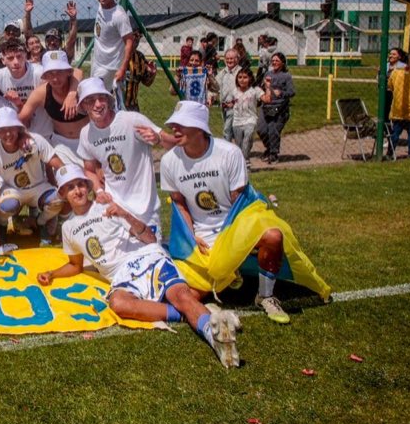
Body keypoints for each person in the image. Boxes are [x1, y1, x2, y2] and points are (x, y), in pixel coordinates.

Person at [37, 164, 242, 368]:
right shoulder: (68, 228)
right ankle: (191, 313)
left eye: (80, 184)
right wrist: (52, 273)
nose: (77, 191)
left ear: (88, 186)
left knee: (180, 295)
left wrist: (125, 214)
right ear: (63, 194)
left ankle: (214, 336)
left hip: (147, 256)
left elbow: (150, 238)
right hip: (121, 275)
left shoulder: (107, 206)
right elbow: (75, 265)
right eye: (70, 187)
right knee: (118, 304)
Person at [160, 102, 293, 324]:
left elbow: (239, 202)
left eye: (181, 124)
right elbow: (179, 204)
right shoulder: (169, 161)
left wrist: (229, 247)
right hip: (202, 237)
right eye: (174, 123)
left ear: (199, 127)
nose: (174, 128)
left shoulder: (229, 153)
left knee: (273, 236)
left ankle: (265, 295)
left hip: (234, 227)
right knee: (186, 298)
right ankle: (221, 283)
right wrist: (191, 237)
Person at [76, 76, 176, 241]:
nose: (98, 104)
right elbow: (89, 170)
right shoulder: (86, 134)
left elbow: (173, 144)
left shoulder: (131, 120)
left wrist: (158, 139)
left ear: (108, 100)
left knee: (151, 251)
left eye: (101, 98)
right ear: (83, 106)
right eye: (91, 100)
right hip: (113, 206)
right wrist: (99, 191)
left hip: (145, 209)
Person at [0, 107, 65, 251]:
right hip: (13, 189)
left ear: (18, 128)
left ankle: (41, 222)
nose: (8, 134)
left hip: (39, 186)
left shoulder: (35, 140)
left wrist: (66, 186)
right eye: (2, 130)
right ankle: (2, 226)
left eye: (11, 128)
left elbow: (59, 165)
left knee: (58, 199)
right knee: (7, 206)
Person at [19, 50, 86, 166]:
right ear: (45, 76)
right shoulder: (41, 93)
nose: (55, 78)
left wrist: (72, 93)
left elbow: (78, 72)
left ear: (68, 72)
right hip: (62, 145)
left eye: (59, 72)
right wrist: (23, 136)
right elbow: (21, 118)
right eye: (50, 74)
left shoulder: (82, 88)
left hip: (87, 141)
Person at [88, 0, 135, 105]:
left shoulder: (119, 15)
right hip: (97, 62)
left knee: (101, 100)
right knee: (96, 98)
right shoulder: (101, 5)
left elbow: (129, 41)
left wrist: (123, 68)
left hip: (110, 67)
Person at [257, 52, 295, 164]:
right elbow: (261, 88)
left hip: (280, 108)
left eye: (277, 60)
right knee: (261, 130)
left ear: (283, 63)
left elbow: (292, 92)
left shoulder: (286, 76)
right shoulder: (267, 74)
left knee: (273, 130)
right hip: (266, 106)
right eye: (273, 61)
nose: (274, 62)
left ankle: (273, 154)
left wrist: (281, 93)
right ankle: (269, 148)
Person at [0, 39, 42, 112]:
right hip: (15, 116)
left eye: (19, 56)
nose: (16, 62)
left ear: (25, 57)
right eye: (10, 58)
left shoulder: (39, 72)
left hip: (38, 115)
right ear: (3, 60)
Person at [23, 0, 78, 64]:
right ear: (45, 42)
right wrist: (28, 13)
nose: (52, 42)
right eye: (49, 40)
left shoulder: (64, 54)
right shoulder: (42, 54)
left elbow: (72, 40)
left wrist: (73, 19)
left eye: (55, 40)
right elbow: (29, 35)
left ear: (60, 42)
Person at [229, 68, 263, 164]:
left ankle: (246, 161)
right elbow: (232, 103)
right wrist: (228, 104)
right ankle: (242, 162)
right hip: (237, 121)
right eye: (240, 77)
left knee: (247, 139)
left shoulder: (254, 90)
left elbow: (266, 99)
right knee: (239, 145)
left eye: (245, 77)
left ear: (250, 78)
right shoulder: (234, 91)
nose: (242, 80)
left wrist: (268, 88)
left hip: (250, 119)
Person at [122, 29, 156, 113]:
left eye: (139, 36)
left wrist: (152, 73)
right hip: (115, 104)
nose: (137, 39)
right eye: (135, 35)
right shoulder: (117, 54)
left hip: (132, 106)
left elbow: (147, 83)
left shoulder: (140, 57)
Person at [217, 49, 241, 142]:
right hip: (224, 105)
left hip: (236, 106)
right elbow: (215, 86)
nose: (229, 61)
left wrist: (235, 102)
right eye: (227, 59)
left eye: (232, 58)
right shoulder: (223, 72)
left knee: (227, 130)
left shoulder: (241, 72)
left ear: (237, 59)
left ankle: (226, 147)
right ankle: (238, 147)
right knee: (233, 131)